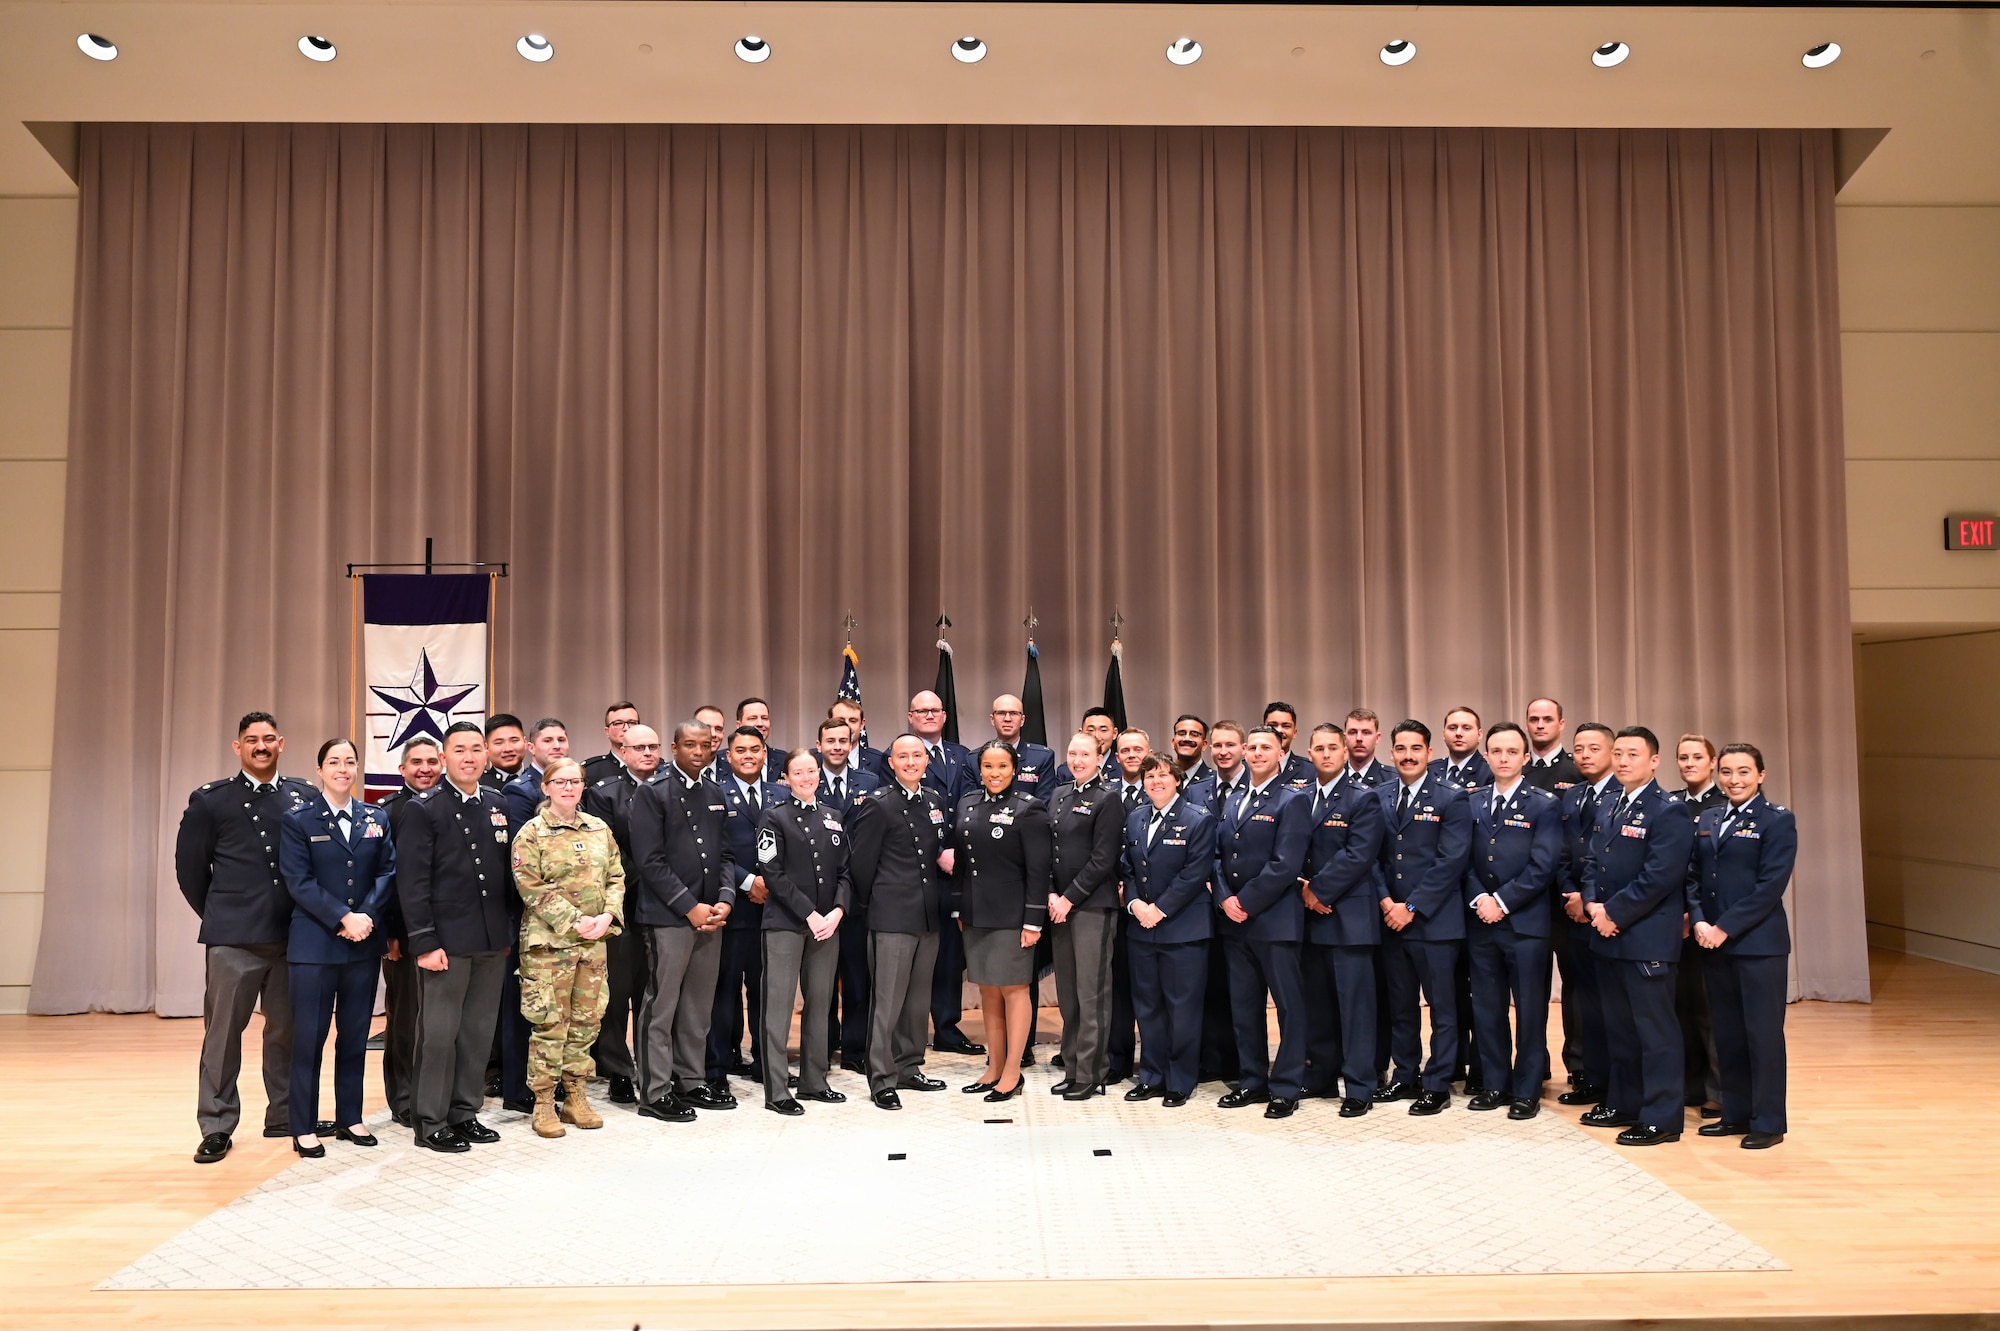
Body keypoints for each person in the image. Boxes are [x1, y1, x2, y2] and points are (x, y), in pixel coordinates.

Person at [175, 712, 317, 1165]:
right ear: (237, 747)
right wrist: (221, 916)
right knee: (222, 1035)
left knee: (288, 1032)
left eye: (269, 739)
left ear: (282, 744)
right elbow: (190, 871)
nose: (261, 746)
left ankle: (284, 1115)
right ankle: (216, 1124)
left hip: (293, 937)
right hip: (234, 938)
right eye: (251, 740)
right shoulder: (210, 801)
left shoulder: (303, 796)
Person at [396, 722, 516, 1153]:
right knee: (439, 1034)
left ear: (486, 756)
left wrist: (505, 933)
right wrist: (424, 942)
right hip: (445, 942)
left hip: (489, 940)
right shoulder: (425, 808)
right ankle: (430, 1120)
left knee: (477, 1033)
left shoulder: (497, 804)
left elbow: (503, 875)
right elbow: (412, 883)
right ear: (444, 758)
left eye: (476, 749)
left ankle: (465, 1112)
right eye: (459, 750)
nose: (469, 757)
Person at [1581, 726, 1697, 1147]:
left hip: (1645, 937)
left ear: (1654, 761)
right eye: (1620, 753)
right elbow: (1592, 862)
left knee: (1655, 1031)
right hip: (1608, 934)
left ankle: (1662, 1116)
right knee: (1620, 1029)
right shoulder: (1610, 803)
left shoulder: (1668, 810)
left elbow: (1660, 878)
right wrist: (1594, 906)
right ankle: (1625, 1101)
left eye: (1634, 754)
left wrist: (1614, 912)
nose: (1624, 760)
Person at [276, 738, 392, 1157]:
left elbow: (386, 872)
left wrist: (364, 917)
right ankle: (303, 1124)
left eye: (349, 761)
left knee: (355, 1036)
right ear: (320, 770)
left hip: (362, 945)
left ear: (358, 768)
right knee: (309, 1037)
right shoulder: (298, 819)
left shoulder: (375, 817)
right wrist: (342, 917)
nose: (342, 768)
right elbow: (298, 880)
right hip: (315, 945)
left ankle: (351, 1117)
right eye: (333, 762)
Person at [1688, 743, 1797, 1150]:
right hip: (1712, 942)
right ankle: (1734, 1113)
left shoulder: (1776, 821)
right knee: (1728, 1033)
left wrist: (1724, 928)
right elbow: (1693, 876)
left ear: (1761, 775)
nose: (1734, 780)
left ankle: (1768, 1122)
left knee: (1762, 1034)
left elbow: (1769, 887)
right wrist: (1699, 919)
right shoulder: (1710, 817)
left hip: (1758, 945)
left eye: (1744, 772)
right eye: (1728, 772)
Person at [628, 721, 738, 1122]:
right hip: (670, 917)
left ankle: (691, 1081)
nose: (697, 751)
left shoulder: (714, 792)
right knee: (662, 1005)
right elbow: (649, 861)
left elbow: (725, 856)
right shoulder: (652, 793)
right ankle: (655, 1092)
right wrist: (689, 906)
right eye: (688, 744)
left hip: (711, 915)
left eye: (704, 745)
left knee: (697, 1006)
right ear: (673, 748)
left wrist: (725, 899)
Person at [511, 756, 625, 1138]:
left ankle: (576, 1095)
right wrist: (575, 921)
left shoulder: (599, 828)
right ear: (545, 787)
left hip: (594, 943)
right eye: (560, 781)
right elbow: (530, 886)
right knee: (549, 1023)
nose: (568, 787)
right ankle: (544, 1102)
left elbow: (616, 876)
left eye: (575, 781)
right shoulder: (531, 833)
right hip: (549, 946)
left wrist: (608, 916)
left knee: (587, 1021)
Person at [1462, 722, 1563, 1119]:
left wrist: (1501, 901)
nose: (1503, 758)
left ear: (1525, 758)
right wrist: (1479, 899)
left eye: (1511, 752)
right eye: (1496, 751)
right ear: (1486, 756)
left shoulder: (1544, 803)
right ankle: (1494, 1084)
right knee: (1487, 1009)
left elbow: (1543, 866)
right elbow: (1462, 860)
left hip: (1525, 925)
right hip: (1480, 922)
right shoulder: (1470, 802)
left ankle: (1526, 1089)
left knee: (1530, 1010)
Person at [1213, 725, 1315, 1118]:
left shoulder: (1292, 799)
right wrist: (1225, 899)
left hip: (1274, 920)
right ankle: (1252, 1080)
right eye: (1251, 747)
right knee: (1244, 1006)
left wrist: (1246, 902)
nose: (1256, 753)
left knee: (1289, 1006)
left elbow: (1286, 864)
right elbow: (1218, 856)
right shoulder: (1235, 796)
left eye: (1264, 748)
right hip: (1235, 922)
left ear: (1279, 753)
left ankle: (1286, 1086)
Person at [847, 734, 954, 1109]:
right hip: (891, 915)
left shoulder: (934, 800)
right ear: (890, 762)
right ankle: (881, 1077)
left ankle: (909, 1066)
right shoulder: (879, 804)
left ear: (927, 760)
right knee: (888, 1001)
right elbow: (861, 865)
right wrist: (871, 906)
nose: (911, 762)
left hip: (928, 914)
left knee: (917, 999)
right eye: (903, 756)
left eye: (917, 755)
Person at [1374, 719, 1473, 1115]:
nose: (1408, 755)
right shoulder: (1378, 795)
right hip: (1390, 920)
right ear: (1392, 752)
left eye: (1416, 748)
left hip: (1434, 921)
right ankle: (1405, 1075)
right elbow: (1373, 858)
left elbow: (1451, 861)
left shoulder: (1452, 796)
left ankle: (1437, 1082)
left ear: (1430, 753)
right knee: (1400, 1005)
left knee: (1442, 1007)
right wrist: (1386, 904)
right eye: (1401, 748)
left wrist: (1410, 907)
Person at [951, 742, 1052, 1101]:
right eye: (988, 766)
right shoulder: (967, 803)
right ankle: (993, 1066)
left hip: (1013, 916)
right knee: (988, 990)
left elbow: (1039, 871)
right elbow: (962, 864)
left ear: (1014, 769)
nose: (994, 773)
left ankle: (1012, 1071)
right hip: (976, 913)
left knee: (1014, 989)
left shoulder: (1029, 808)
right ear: (980, 769)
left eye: (1002, 766)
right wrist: (958, 909)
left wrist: (1034, 921)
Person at [1298, 724, 1386, 1115]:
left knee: (1356, 1010)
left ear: (1346, 750)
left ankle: (1359, 1086)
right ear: (1310, 753)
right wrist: (1304, 890)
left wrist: (1318, 890)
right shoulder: (1300, 797)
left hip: (1348, 918)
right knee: (1317, 1006)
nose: (1327, 754)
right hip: (1308, 918)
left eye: (1334, 747)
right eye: (1319, 748)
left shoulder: (1362, 798)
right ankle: (1320, 1076)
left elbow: (1359, 855)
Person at [758, 750, 853, 1114]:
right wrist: (809, 913)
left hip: (828, 926)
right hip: (786, 924)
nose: (807, 777)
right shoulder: (774, 817)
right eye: (799, 772)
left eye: (811, 771)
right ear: (786, 778)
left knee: (821, 1005)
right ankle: (778, 1090)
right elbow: (773, 873)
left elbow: (845, 870)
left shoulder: (833, 816)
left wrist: (838, 911)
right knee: (779, 1008)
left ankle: (815, 1081)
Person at [1120, 754, 1217, 1107]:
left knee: (1182, 1009)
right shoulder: (1135, 818)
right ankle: (1151, 1076)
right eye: (1149, 776)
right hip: (1142, 929)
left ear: (1177, 780)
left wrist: (1158, 910)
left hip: (1183, 929)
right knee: (1147, 1007)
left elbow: (1195, 873)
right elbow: (1127, 869)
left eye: (1163, 775)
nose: (1155, 781)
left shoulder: (1198, 819)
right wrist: (1135, 905)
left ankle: (1179, 1081)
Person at [582, 722, 663, 1103]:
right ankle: (616, 1070)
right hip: (624, 907)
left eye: (653, 746)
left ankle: (653, 1067)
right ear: (624, 752)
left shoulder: (671, 788)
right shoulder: (605, 794)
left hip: (666, 909)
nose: (647, 753)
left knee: (654, 991)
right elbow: (609, 852)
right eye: (639, 747)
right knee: (616, 996)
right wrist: (655, 882)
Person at [495, 717, 571, 1112]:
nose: (556, 745)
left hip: (569, 917)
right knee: (527, 1004)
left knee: (558, 1007)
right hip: (532, 913)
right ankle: (519, 1090)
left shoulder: (571, 784)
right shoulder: (519, 791)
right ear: (531, 746)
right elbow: (535, 858)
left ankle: (552, 1081)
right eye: (548, 740)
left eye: (562, 738)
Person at [1045, 731, 1123, 1100]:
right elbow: (1048, 849)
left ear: (1099, 756)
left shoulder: (1107, 798)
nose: (1078, 760)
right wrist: (1050, 893)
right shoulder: (1059, 795)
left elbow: (1103, 859)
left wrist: (1068, 898)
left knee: (1092, 994)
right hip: (1059, 906)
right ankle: (1073, 1064)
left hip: (1091, 906)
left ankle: (1093, 1073)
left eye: (1085, 754)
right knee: (1069, 994)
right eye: (1073, 753)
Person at [906, 690, 982, 1057]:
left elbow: (972, 804)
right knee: (918, 953)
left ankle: (948, 1028)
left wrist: (958, 852)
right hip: (920, 868)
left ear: (945, 714)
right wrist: (936, 851)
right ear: (910, 716)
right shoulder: (902, 753)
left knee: (950, 954)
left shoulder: (963, 755)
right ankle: (911, 1031)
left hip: (960, 867)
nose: (929, 715)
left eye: (934, 710)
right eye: (922, 710)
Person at [708, 726, 782, 1086]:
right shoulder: (716, 794)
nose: (749, 755)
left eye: (755, 749)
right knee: (725, 992)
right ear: (729, 756)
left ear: (764, 754)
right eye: (741, 750)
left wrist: (770, 884)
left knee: (765, 991)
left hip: (773, 909)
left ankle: (766, 1064)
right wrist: (749, 881)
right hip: (733, 907)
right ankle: (718, 1067)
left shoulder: (779, 793)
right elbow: (715, 851)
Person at [1554, 722, 1619, 1106]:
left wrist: (1589, 899)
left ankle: (1613, 1081)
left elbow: (1611, 859)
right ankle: (1588, 1076)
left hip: (1605, 913)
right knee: (1580, 999)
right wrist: (1570, 893)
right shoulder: (1571, 795)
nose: (1585, 755)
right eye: (1579, 748)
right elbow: (1562, 851)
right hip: (1570, 911)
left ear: (1610, 752)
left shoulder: (1620, 794)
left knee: (1608, 999)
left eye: (1594, 748)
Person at [378, 737, 442, 1127]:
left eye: (432, 761)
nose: (425, 768)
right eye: (416, 762)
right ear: (402, 769)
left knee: (439, 1023)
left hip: (448, 933)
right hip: (403, 934)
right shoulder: (389, 812)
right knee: (405, 1019)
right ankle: (402, 1097)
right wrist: (390, 933)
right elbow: (386, 877)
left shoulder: (450, 805)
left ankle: (434, 1092)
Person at [818, 715, 882, 1073]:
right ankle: (823, 1047)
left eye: (844, 740)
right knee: (823, 981)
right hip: (819, 896)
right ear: (820, 745)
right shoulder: (807, 778)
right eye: (831, 741)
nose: (838, 747)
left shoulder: (869, 781)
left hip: (858, 895)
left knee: (859, 979)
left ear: (853, 742)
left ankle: (856, 1050)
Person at [1672, 733, 1726, 1116]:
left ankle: (1717, 1090)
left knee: (1710, 1009)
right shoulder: (1671, 804)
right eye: (1683, 758)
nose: (1689, 764)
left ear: (1712, 762)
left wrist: (1698, 913)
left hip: (1708, 920)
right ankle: (1688, 1084)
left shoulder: (1724, 806)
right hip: (1672, 921)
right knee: (1681, 1006)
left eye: (1697, 757)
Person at [961, 694, 1058, 801]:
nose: (1007, 719)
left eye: (1014, 713)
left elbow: (1044, 805)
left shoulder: (1041, 757)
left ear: (1022, 720)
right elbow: (970, 804)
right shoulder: (973, 759)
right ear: (992, 719)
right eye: (1001, 713)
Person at [1523, 697, 1584, 793]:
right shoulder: (1517, 769)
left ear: (1561, 724)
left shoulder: (1578, 768)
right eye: (1534, 720)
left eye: (1548, 720)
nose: (1540, 726)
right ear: (1526, 725)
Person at [1431, 707, 1493, 790]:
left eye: (1466, 728)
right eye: (1452, 728)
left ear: (1479, 735)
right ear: (1444, 734)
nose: (1458, 733)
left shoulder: (1490, 771)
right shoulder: (1430, 770)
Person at [1054, 706, 1121, 784]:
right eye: (1090, 730)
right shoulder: (1066, 770)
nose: (1097, 737)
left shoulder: (1123, 768)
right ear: (1081, 733)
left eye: (1103, 730)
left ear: (1114, 733)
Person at [581, 701, 642, 786]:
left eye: (632, 722)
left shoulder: (655, 766)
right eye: (618, 723)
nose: (626, 728)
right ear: (607, 731)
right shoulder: (590, 770)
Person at [830, 696, 887, 782]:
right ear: (828, 722)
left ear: (862, 724)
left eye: (853, 721)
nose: (847, 726)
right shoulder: (813, 759)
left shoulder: (878, 760)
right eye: (840, 720)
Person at [737, 697, 787, 783]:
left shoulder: (784, 760)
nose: (760, 724)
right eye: (752, 718)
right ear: (739, 725)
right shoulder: (724, 762)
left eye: (764, 718)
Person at [1262, 703, 1313, 786]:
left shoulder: (1311, 770)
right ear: (1262, 730)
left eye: (1286, 726)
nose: (1279, 730)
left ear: (1294, 733)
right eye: (1273, 725)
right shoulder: (1246, 769)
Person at [1344, 709, 1395, 788]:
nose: (1359, 738)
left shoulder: (1394, 779)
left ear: (1377, 738)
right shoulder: (1331, 778)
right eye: (1353, 732)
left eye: (1366, 732)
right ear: (1344, 738)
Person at [480, 713, 528, 791]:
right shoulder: (477, 785)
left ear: (525, 742)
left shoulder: (541, 781)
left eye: (514, 740)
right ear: (486, 747)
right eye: (499, 743)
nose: (507, 749)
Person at [1169, 714, 1214, 790]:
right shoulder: (1161, 780)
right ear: (1173, 743)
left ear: (1204, 745)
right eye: (1181, 733)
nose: (1187, 739)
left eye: (1194, 734)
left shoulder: (1215, 781)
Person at [694, 704, 730, 784]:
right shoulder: (673, 771)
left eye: (718, 729)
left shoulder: (734, 772)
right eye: (706, 727)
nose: (713, 734)